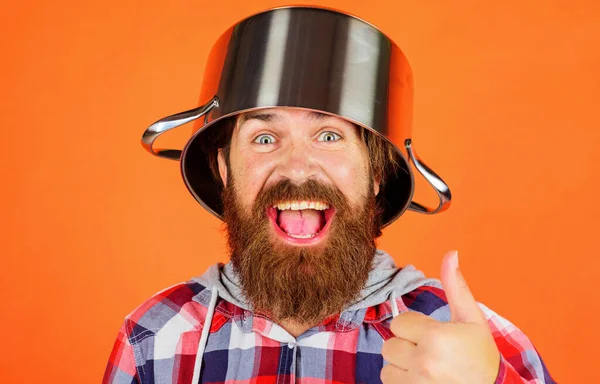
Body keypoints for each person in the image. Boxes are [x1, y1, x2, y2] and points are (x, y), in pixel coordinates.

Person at [103, 108, 555, 383]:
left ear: (377, 173)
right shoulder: (153, 338)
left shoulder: (464, 338)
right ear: (224, 170)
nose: (297, 167)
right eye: (264, 138)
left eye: (329, 136)